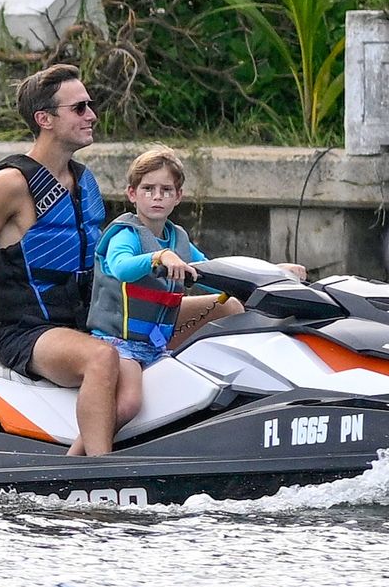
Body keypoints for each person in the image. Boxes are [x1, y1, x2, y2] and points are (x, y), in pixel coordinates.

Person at [0, 63, 129, 456]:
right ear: (44, 119)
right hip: (29, 333)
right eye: (79, 108)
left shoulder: (84, 182)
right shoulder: (9, 184)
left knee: (215, 313)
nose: (92, 115)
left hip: (87, 322)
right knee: (102, 358)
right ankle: (97, 475)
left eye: (90, 105)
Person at [86, 146, 307, 406]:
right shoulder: (125, 234)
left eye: (166, 190)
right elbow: (121, 267)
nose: (157, 197)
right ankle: (83, 448)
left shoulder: (178, 238)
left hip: (156, 345)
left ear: (178, 196)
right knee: (130, 403)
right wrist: (159, 257)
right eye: (148, 189)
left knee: (190, 384)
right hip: (118, 344)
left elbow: (213, 273)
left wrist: (275, 271)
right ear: (132, 194)